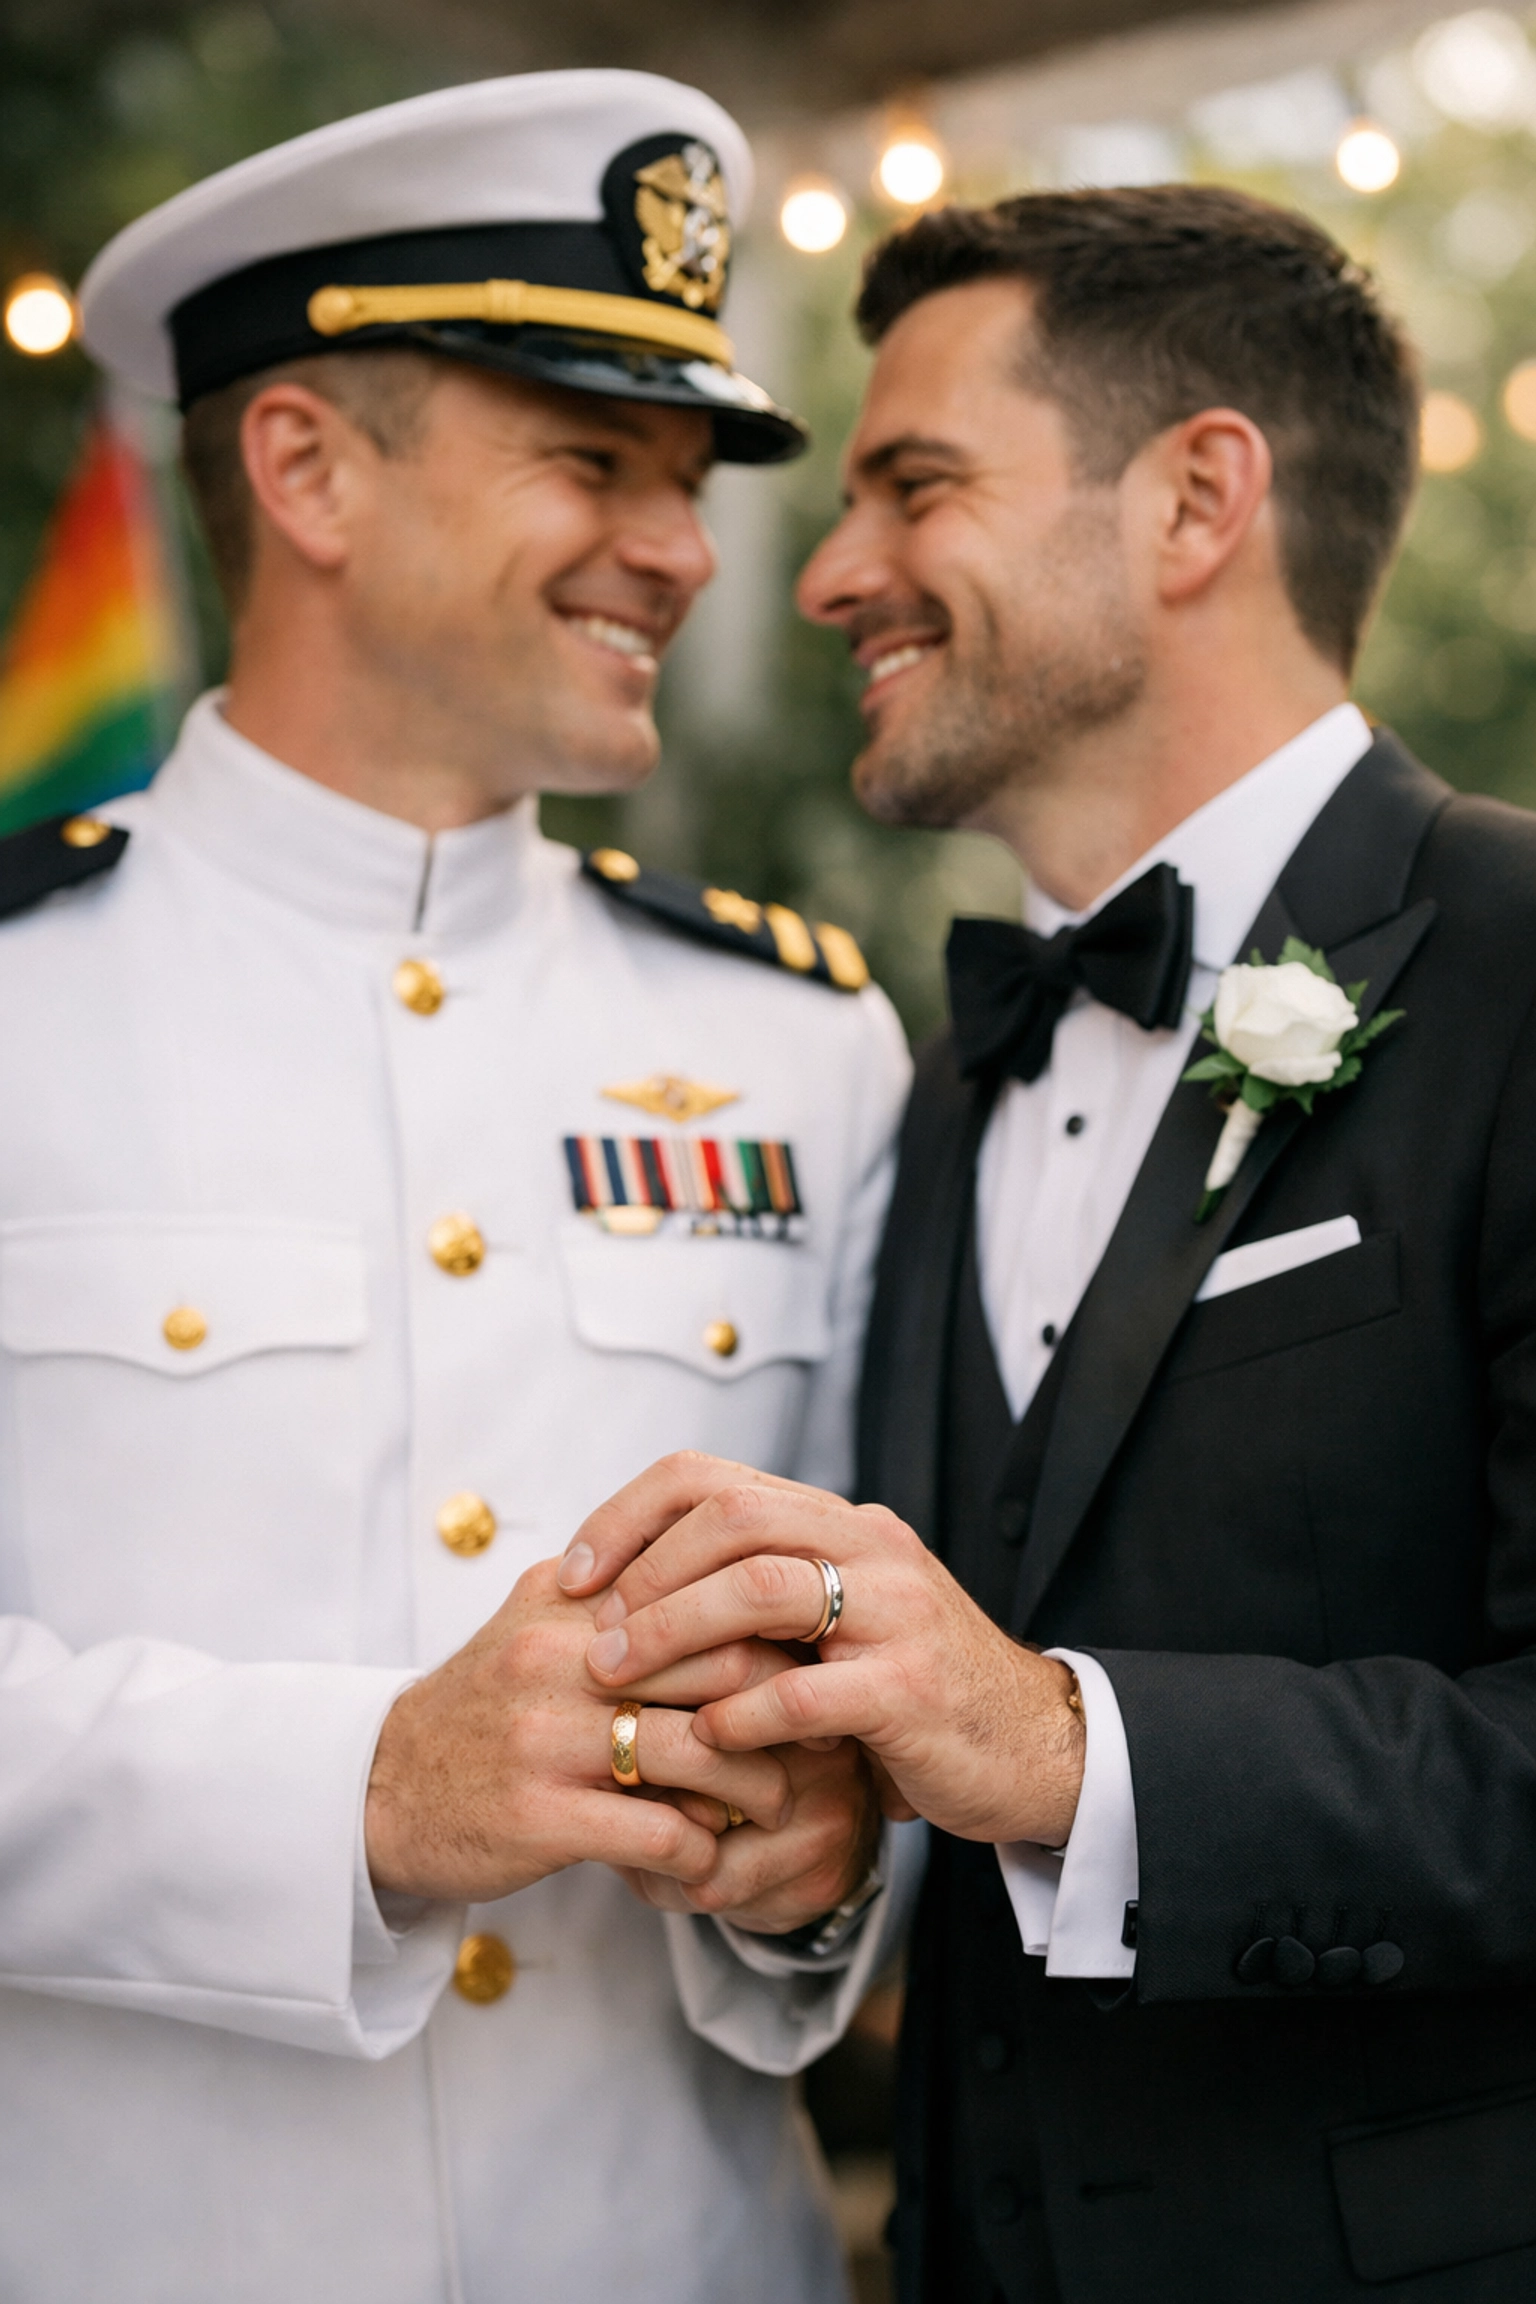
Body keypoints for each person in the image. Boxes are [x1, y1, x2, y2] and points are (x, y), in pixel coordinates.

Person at [566, 184, 1536, 2301]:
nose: (826, 575)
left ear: (1197, 501)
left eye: (914, 485)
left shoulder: (1519, 963)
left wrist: (1066, 1746)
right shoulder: (949, 1078)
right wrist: (814, 1856)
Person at [0, 70, 919, 2304]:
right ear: (306, 466)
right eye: (593, 460)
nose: (686, 550)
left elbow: (901, 1681)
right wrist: (364, 1789)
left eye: (689, 484)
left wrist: (827, 1855)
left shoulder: (816, 1049)